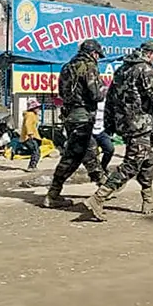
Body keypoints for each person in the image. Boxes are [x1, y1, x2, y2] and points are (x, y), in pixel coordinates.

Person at [83, 41, 153, 221]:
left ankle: (148, 200)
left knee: (149, 160)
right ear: (149, 54)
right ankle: (98, 198)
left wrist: (110, 124)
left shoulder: (121, 70)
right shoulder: (145, 69)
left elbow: (110, 99)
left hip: (125, 123)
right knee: (132, 163)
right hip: (139, 124)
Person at [45, 39, 106, 209]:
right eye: (97, 55)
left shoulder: (67, 67)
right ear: (93, 53)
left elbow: (61, 92)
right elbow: (96, 94)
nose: (97, 58)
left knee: (88, 150)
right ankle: (53, 194)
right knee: (74, 155)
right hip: (83, 116)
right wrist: (105, 88)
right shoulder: (89, 67)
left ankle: (103, 184)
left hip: (70, 115)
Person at [18, 98, 43, 171]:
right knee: (36, 151)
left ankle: (33, 166)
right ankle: (32, 166)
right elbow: (28, 124)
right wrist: (30, 133)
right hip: (28, 137)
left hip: (30, 136)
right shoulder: (30, 115)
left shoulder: (32, 115)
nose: (38, 109)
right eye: (37, 107)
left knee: (36, 150)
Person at [92, 95, 115, 173]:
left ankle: (103, 167)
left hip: (101, 131)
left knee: (110, 149)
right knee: (93, 153)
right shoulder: (88, 101)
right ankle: (95, 172)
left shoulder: (106, 101)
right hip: (90, 132)